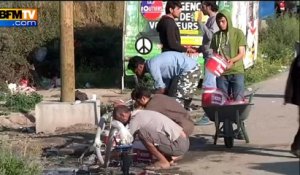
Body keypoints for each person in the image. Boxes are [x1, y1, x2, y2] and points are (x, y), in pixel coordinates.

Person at [113, 105, 189, 170]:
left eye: (119, 120)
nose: (121, 123)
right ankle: (168, 158)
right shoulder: (141, 113)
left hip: (178, 144)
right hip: (183, 141)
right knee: (149, 135)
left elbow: (127, 140)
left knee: (143, 133)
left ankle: (163, 162)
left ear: (123, 115)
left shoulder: (136, 119)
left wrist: (115, 152)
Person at [127, 51, 200, 110]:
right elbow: (165, 88)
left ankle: (181, 118)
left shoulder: (152, 66)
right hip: (188, 69)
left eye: (136, 72)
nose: (137, 75)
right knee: (173, 97)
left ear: (140, 66)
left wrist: (147, 96)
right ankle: (185, 111)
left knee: (177, 103)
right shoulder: (153, 64)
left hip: (189, 70)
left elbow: (161, 90)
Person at [210, 9, 247, 102]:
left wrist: (232, 61)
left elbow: (242, 53)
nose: (221, 24)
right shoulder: (216, 36)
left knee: (238, 99)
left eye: (223, 21)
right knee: (223, 101)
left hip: (236, 71)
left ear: (228, 20)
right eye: (218, 22)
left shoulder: (238, 33)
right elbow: (215, 54)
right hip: (222, 73)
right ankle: (225, 116)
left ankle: (237, 115)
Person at [195, 1, 219, 125]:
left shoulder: (215, 19)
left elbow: (210, 36)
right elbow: (207, 41)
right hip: (208, 55)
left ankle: (209, 114)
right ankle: (212, 112)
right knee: (210, 85)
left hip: (212, 57)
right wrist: (198, 49)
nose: (201, 9)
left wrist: (200, 23)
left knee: (209, 85)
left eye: (202, 7)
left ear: (209, 7)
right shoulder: (211, 19)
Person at [284, 42, 300, 158]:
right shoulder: (298, 61)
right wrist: (288, 96)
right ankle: (296, 147)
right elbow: (292, 79)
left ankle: (296, 146)